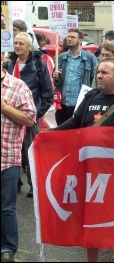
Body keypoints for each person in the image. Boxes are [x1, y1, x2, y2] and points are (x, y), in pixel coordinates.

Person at [50, 57, 114, 262]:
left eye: (104, 72)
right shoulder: (91, 96)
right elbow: (75, 122)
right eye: (98, 72)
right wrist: (50, 135)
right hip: (92, 171)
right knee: (92, 218)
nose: (99, 76)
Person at [3, 32, 54, 197]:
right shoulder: (9, 63)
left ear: (29, 46)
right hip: (10, 117)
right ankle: (14, 183)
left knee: (30, 152)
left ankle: (34, 186)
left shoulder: (39, 64)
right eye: (15, 43)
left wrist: (36, 114)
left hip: (29, 117)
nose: (17, 46)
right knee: (12, 152)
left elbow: (48, 94)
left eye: (21, 44)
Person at [1, 65, 37, 263]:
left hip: (6, 157)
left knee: (6, 207)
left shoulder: (18, 86)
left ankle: (7, 248)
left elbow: (30, 120)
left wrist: (4, 107)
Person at [52, 28, 98, 126]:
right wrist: (56, 78)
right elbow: (56, 83)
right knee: (63, 137)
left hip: (81, 106)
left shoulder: (89, 58)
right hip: (63, 107)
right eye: (68, 37)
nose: (69, 39)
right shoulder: (60, 58)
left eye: (73, 37)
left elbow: (95, 81)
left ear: (80, 40)